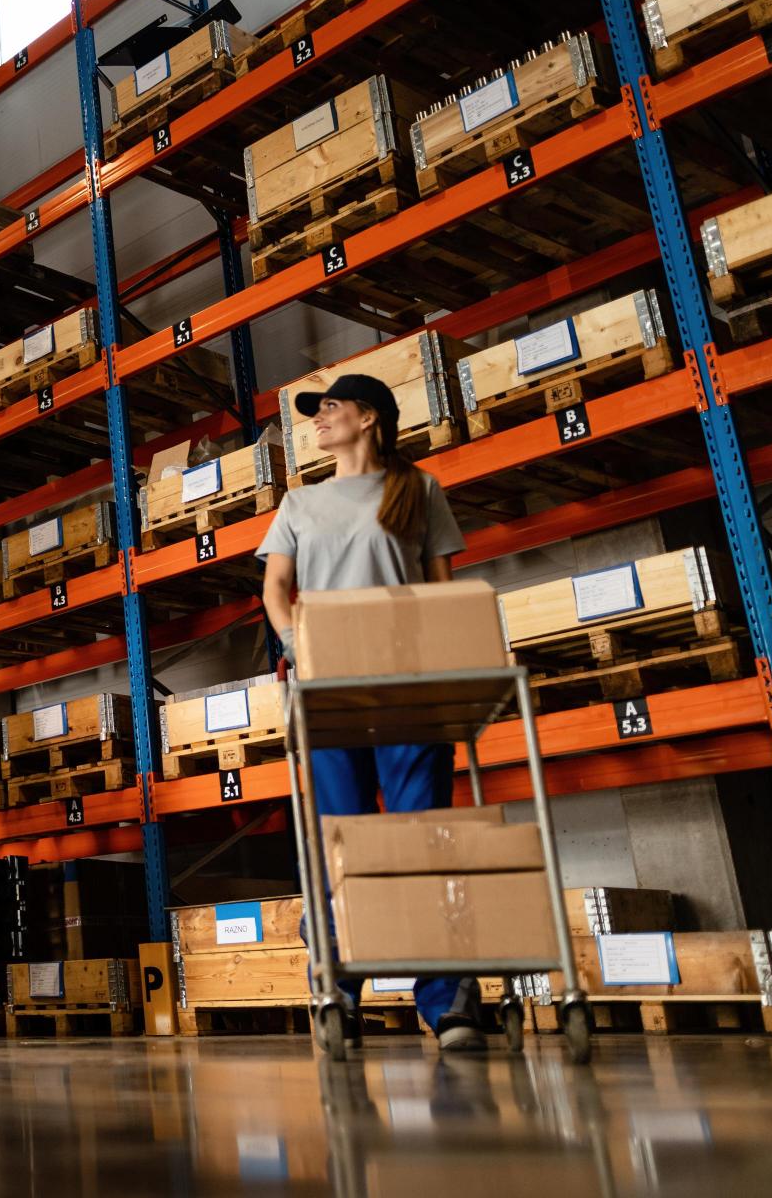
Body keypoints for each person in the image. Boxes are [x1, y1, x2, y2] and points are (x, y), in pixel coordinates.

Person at [258, 372, 482, 1054]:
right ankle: (340, 990)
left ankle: (445, 1001)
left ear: (369, 417)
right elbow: (275, 587)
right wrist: (302, 644)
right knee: (340, 843)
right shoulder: (300, 502)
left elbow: (442, 589)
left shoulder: (418, 491)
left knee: (422, 838)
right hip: (330, 690)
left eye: (329, 408)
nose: (317, 421)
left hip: (410, 686)